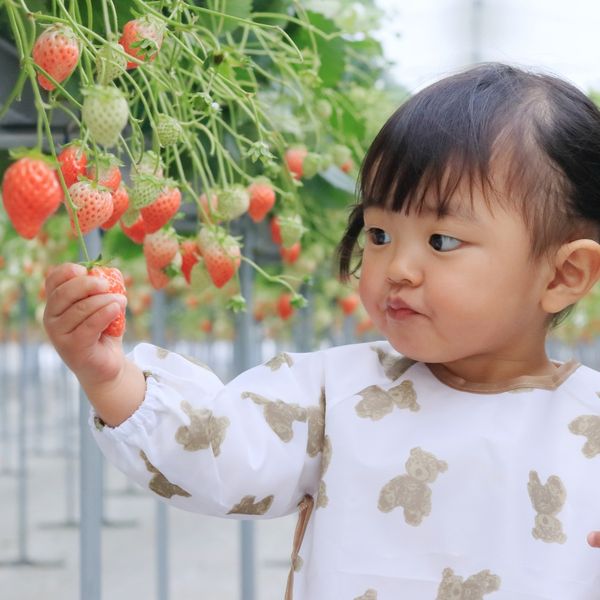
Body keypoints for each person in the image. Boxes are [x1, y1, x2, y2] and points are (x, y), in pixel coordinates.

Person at [44, 63, 600, 599]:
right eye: (379, 233)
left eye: (442, 241)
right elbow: (212, 450)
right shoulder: (335, 394)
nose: (398, 268)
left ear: (564, 274)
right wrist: (110, 376)